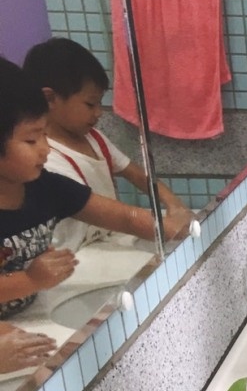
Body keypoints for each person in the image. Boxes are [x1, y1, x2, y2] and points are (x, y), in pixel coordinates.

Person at [0, 58, 190, 318]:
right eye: (31, 140)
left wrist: (176, 229)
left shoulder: (45, 186)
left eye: (44, 135)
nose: (45, 149)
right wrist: (29, 281)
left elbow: (125, 217)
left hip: (29, 316)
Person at [22, 38, 188, 251]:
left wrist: (173, 203)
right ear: (49, 99)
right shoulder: (48, 160)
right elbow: (123, 218)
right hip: (78, 252)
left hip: (110, 236)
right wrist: (171, 229)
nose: (99, 112)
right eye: (90, 104)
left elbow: (137, 175)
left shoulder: (94, 138)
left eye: (100, 103)